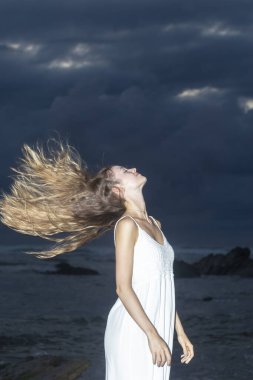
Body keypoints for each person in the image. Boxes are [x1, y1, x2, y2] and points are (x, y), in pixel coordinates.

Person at [0, 139, 194, 379]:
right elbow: (123, 288)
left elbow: (165, 281)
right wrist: (152, 335)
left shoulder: (156, 224)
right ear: (117, 189)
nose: (133, 169)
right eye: (125, 171)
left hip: (156, 325)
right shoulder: (126, 226)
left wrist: (180, 333)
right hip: (136, 330)